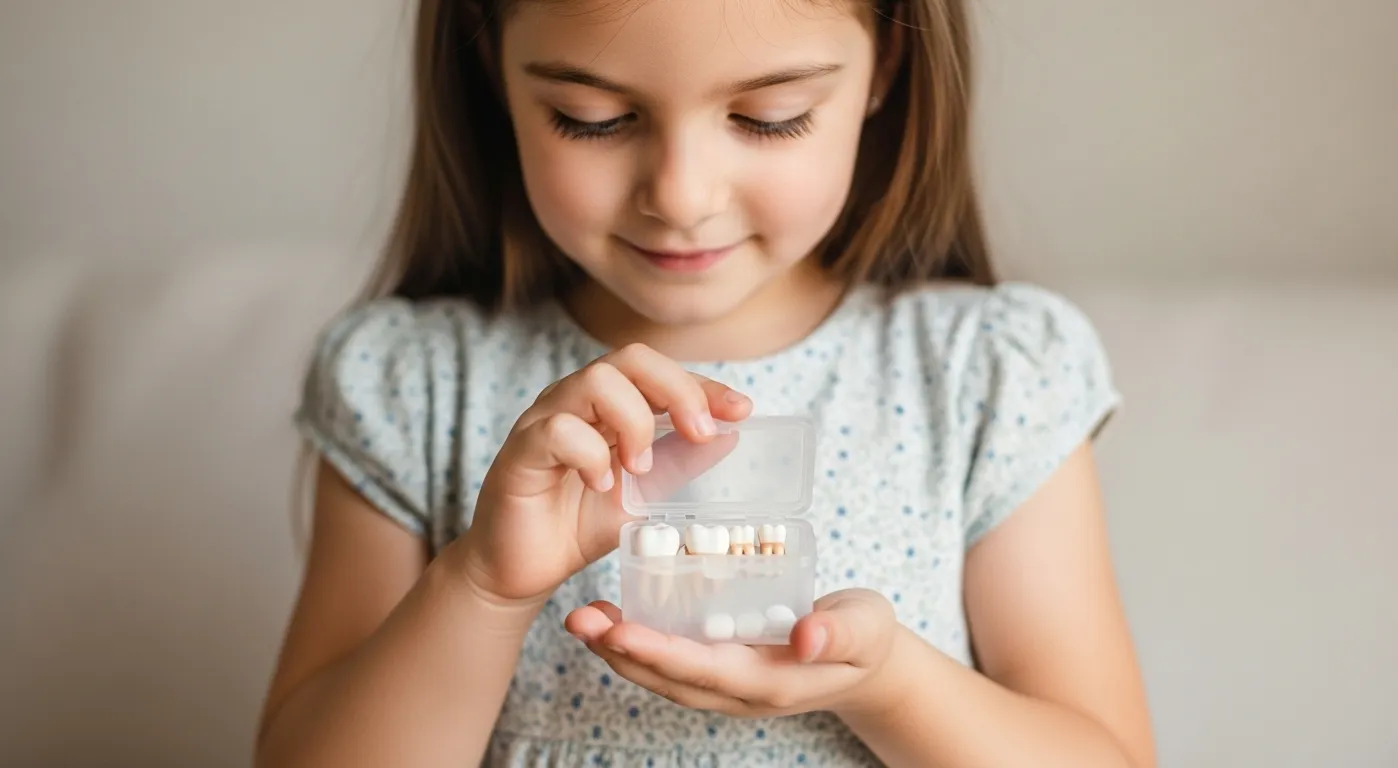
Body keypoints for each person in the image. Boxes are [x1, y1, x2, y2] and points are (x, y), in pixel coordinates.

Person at [254, 0, 1157, 765]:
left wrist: (886, 685)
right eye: (592, 117)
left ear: (885, 64)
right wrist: (485, 587)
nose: (682, 197)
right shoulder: (412, 382)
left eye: (769, 117)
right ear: (494, 70)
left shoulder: (984, 375)